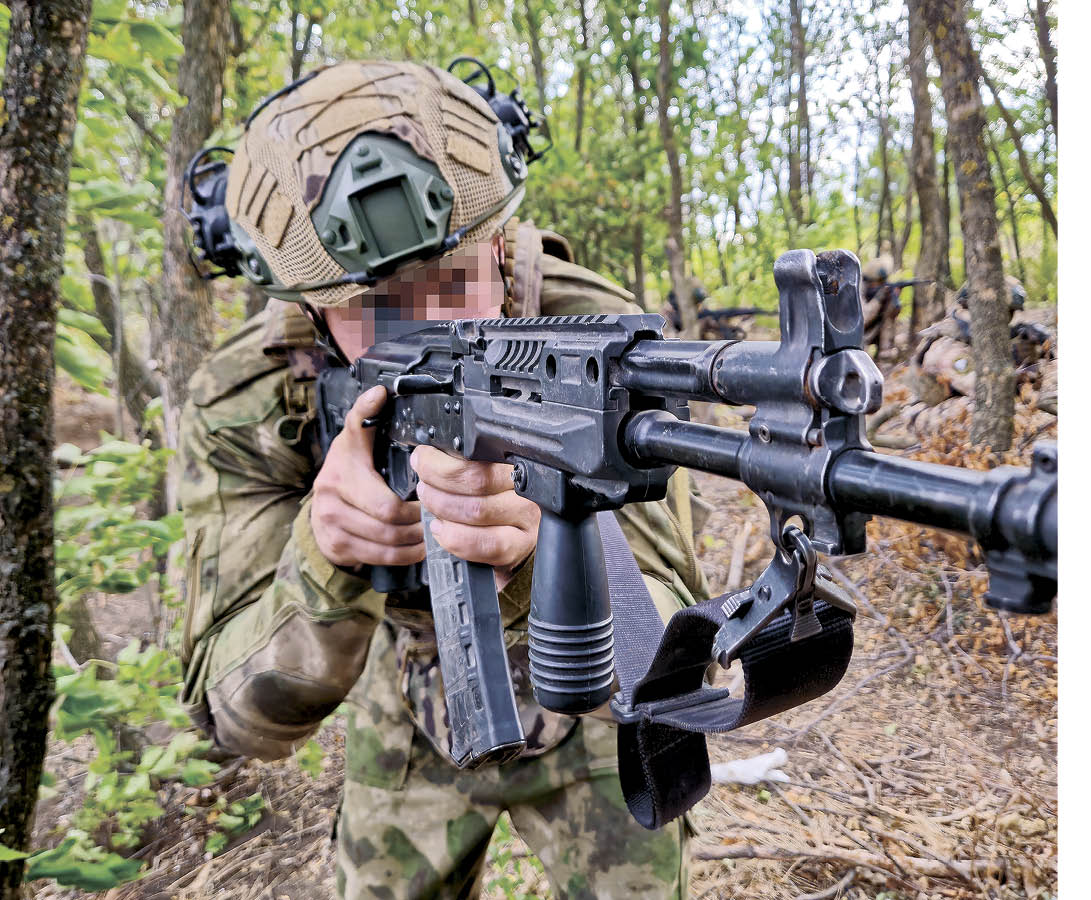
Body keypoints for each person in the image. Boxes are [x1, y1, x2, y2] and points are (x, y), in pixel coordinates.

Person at [178, 60, 708, 900]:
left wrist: (547, 554)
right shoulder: (256, 399)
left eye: (454, 284)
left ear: (500, 246)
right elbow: (237, 718)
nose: (427, 330)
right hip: (404, 708)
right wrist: (325, 557)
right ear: (312, 310)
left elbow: (674, 672)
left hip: (595, 720)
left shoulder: (591, 337)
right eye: (379, 309)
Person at [905, 274, 1055, 433]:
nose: (1007, 322)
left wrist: (1031, 360)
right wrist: (1018, 368)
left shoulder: (976, 339)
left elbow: (1024, 392)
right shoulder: (949, 345)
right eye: (1006, 313)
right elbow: (985, 393)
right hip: (925, 416)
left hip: (951, 408)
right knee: (988, 412)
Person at [860, 255, 902, 358]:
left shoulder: (883, 290)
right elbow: (864, 318)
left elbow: (892, 315)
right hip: (859, 334)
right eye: (877, 283)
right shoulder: (858, 288)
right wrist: (878, 298)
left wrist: (893, 298)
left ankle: (884, 352)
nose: (880, 285)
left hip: (876, 332)